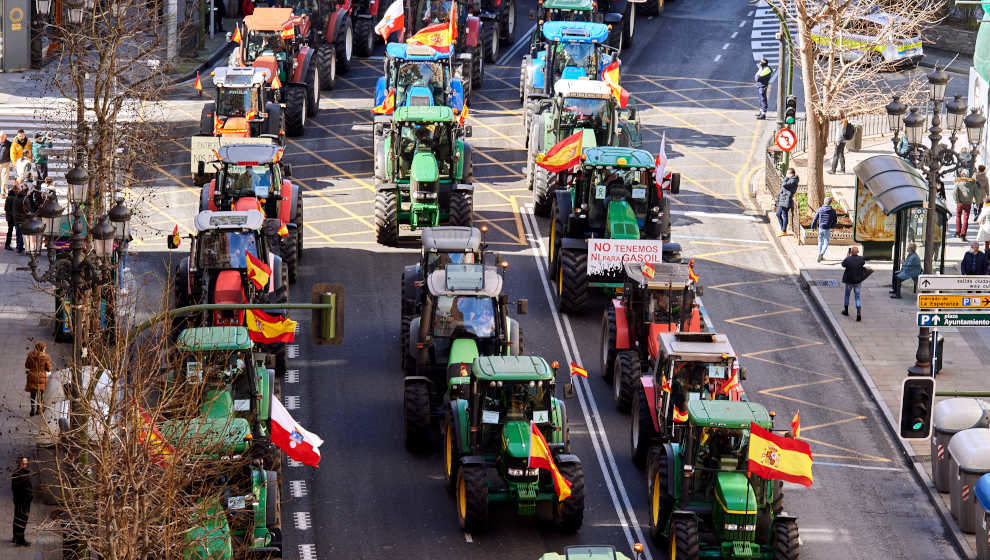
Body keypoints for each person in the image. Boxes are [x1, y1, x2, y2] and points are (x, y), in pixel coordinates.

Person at [25, 342, 52, 417]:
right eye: (44, 348)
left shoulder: (30, 355)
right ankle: (38, 409)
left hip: (32, 377)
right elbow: (49, 368)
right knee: (40, 395)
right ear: (42, 348)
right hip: (42, 378)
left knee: (33, 394)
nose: (45, 350)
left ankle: (32, 409)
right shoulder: (46, 357)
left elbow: (27, 365)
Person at [841, 246, 867, 321]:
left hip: (849, 281)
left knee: (847, 295)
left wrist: (847, 256)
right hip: (857, 281)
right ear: (858, 252)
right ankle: (858, 312)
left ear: (851, 252)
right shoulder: (861, 259)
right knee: (857, 297)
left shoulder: (848, 259)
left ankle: (846, 310)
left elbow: (843, 264)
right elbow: (863, 262)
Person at [11, 456, 32, 547]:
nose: (25, 465)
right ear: (19, 463)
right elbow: (17, 488)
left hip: (20, 500)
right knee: (21, 520)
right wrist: (28, 497)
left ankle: (16, 537)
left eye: (26, 463)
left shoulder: (19, 473)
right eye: (23, 463)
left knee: (17, 518)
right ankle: (20, 539)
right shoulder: (20, 475)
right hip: (22, 501)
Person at [811, 196, 838, 262]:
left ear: (824, 202)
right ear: (830, 203)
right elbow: (835, 220)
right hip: (827, 228)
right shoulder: (832, 211)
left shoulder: (820, 209)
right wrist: (832, 226)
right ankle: (821, 254)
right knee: (826, 242)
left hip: (820, 228)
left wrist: (813, 227)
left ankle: (819, 254)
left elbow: (815, 219)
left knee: (820, 241)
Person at [954, 170, 978, 242]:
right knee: (966, 219)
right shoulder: (972, 183)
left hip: (960, 203)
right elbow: (976, 193)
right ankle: (963, 235)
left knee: (958, 216)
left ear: (961, 175)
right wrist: (976, 201)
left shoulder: (958, 182)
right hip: (968, 203)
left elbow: (954, 193)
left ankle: (958, 232)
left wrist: (957, 201)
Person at [775, 168, 798, 235]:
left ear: (792, 174)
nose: (786, 175)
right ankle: (783, 229)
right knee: (778, 214)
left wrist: (786, 178)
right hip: (782, 200)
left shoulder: (793, 180)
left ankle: (784, 231)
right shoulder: (790, 180)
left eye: (788, 173)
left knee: (785, 215)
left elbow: (784, 185)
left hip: (786, 200)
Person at [10, 183, 26, 253]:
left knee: (18, 233)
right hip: (21, 219)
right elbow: (25, 209)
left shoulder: (15, 198)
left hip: (16, 218)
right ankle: (20, 248)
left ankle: (18, 247)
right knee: (21, 234)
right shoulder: (22, 199)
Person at [4, 183, 19, 251]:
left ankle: (8, 244)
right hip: (13, 217)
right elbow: (9, 208)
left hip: (10, 217)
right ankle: (15, 245)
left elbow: (6, 208)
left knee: (11, 231)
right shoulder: (14, 198)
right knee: (15, 231)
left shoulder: (9, 197)